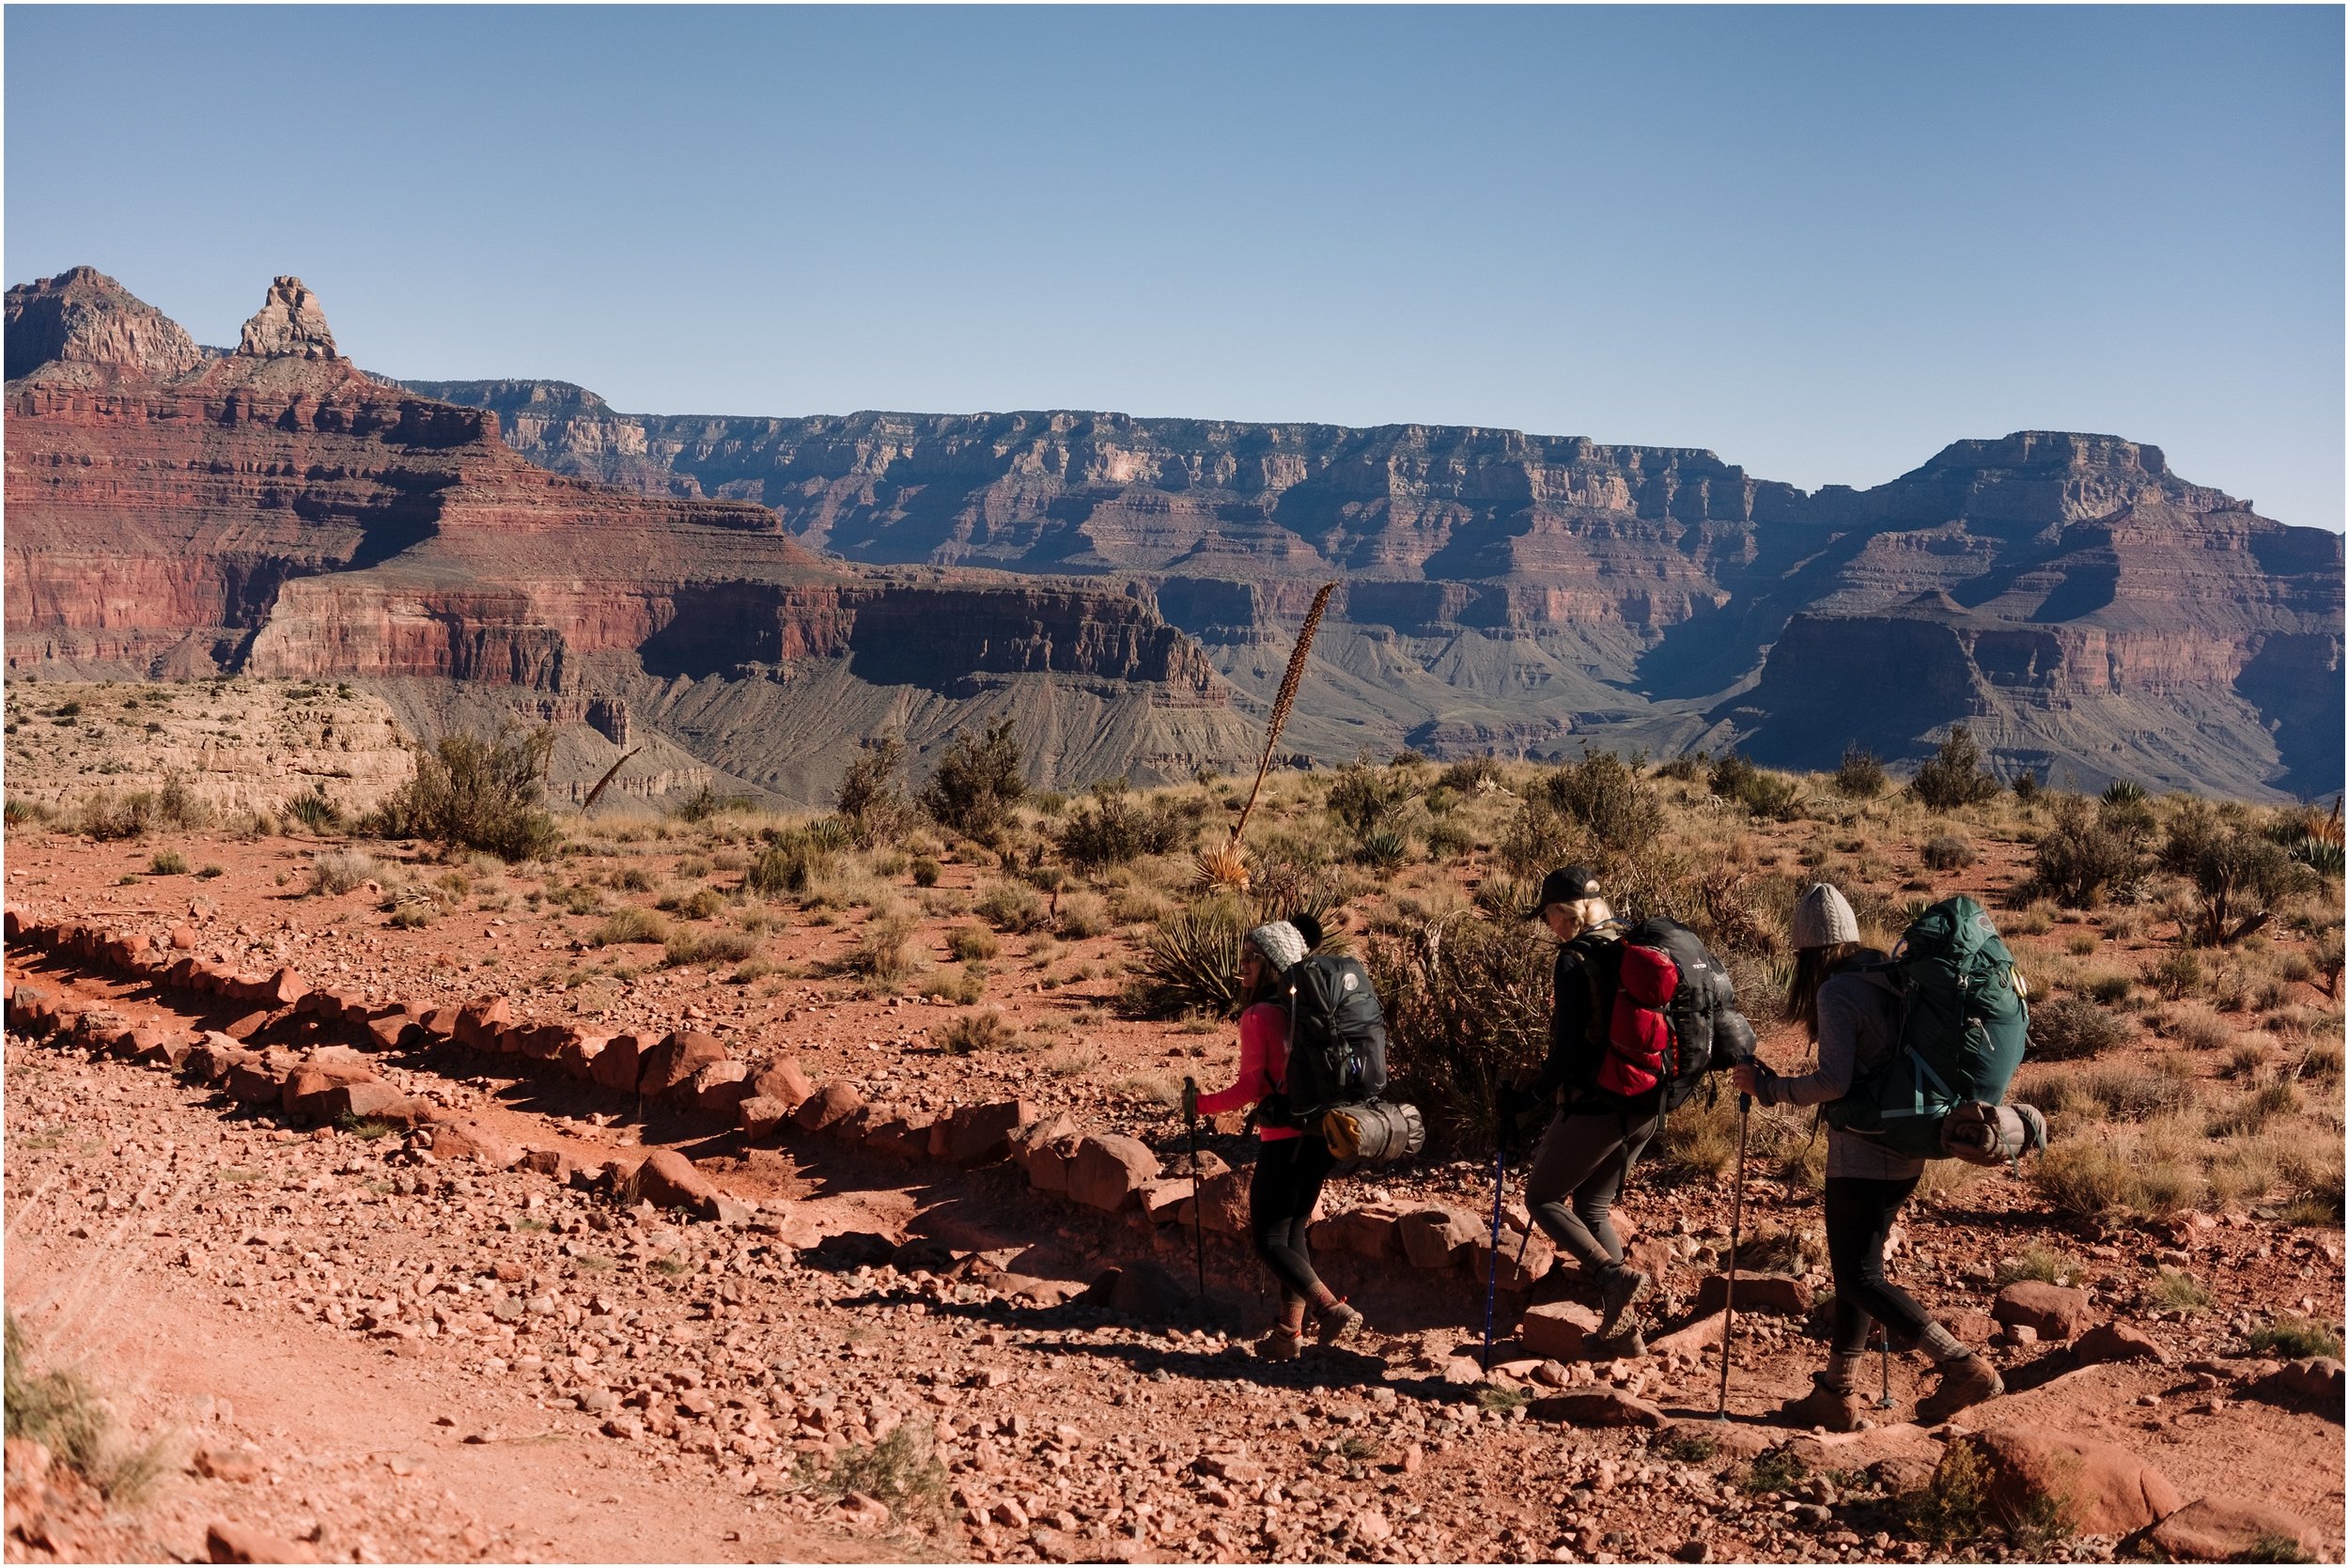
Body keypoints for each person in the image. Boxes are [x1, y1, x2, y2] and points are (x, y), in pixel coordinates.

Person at [1733, 883, 2004, 1429]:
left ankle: (1961, 1365)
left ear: (1805, 952)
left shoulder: (1836, 991)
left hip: (1863, 1149)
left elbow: (1834, 1082)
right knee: (1860, 1270)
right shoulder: (1886, 969)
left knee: (1857, 1276)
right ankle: (1836, 1391)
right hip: (1910, 1142)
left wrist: (1770, 1090)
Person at [1181, 916, 1363, 1359]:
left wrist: (1199, 1105)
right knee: (1292, 1231)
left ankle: (1330, 1309)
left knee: (1267, 1240)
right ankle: (1287, 1336)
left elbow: (1252, 1089)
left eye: (1252, 958)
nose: (1242, 965)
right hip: (1323, 1134)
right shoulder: (1308, 1010)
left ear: (1272, 965)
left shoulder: (1259, 1014)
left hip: (1285, 1138)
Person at [1501, 864, 1655, 1354]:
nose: (1548, 924)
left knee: (1542, 1197)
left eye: (1548, 914)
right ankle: (1624, 1335)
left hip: (1598, 1106)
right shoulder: (1632, 943)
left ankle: (1611, 1277)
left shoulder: (1575, 959)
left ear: (1564, 912)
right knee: (1591, 1205)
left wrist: (1525, 1101)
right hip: (1649, 1104)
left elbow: (1566, 1053)